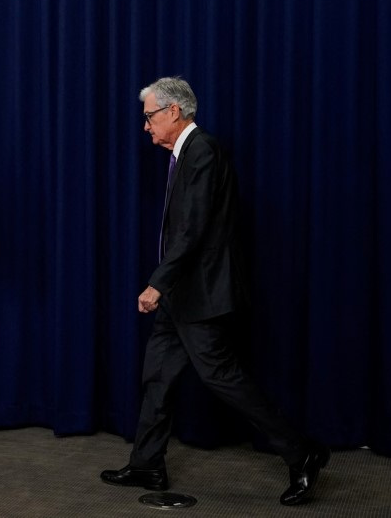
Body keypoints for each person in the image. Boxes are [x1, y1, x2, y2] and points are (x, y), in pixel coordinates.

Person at [100, 76, 329, 506]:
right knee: (158, 377)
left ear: (173, 112)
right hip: (180, 294)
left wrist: (157, 283)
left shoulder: (202, 151)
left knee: (222, 378)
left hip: (199, 294)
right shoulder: (183, 155)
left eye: (149, 117)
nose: (145, 127)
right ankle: (147, 462)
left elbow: (192, 229)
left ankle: (303, 452)